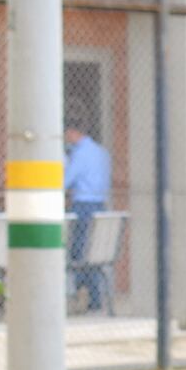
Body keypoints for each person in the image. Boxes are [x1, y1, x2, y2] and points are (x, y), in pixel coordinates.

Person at [63, 122, 111, 312]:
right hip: (100, 204)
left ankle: (84, 292)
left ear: (73, 133)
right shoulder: (101, 153)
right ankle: (94, 296)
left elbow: (66, 181)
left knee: (79, 251)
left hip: (83, 205)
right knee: (94, 250)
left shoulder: (80, 154)